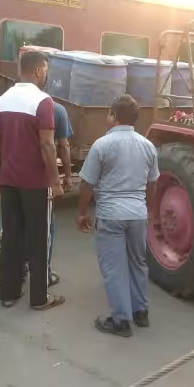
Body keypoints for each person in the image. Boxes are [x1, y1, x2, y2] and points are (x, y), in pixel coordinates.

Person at [77, 94, 160, 337]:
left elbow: (86, 184)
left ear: (113, 115)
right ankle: (141, 312)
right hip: (137, 214)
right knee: (138, 262)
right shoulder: (147, 146)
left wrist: (82, 213)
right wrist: (149, 209)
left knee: (113, 268)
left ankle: (120, 321)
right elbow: (153, 182)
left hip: (111, 214)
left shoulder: (101, 145)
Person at [0, 50, 65, 311]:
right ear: (38, 70)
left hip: (9, 180)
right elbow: (47, 145)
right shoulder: (43, 101)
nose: (46, 74)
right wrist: (55, 181)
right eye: (45, 69)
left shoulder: (2, 99)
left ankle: (8, 293)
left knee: (11, 236)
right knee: (39, 238)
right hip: (35, 184)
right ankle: (39, 297)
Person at [47, 101, 73, 286]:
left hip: (13, 176)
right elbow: (63, 146)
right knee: (46, 226)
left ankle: (17, 273)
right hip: (42, 177)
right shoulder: (56, 109)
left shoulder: (7, 103)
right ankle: (44, 273)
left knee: (17, 226)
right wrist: (67, 176)